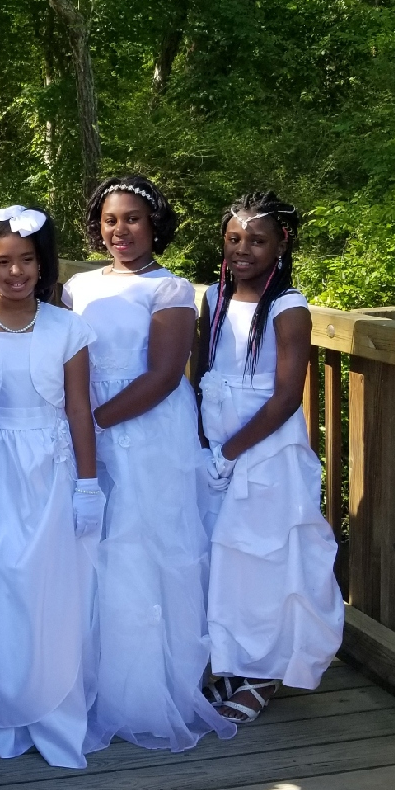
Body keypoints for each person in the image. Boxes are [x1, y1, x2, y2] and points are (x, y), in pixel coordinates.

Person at [64, 175, 235, 753]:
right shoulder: (78, 285)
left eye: (133, 219)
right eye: (111, 220)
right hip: (87, 423)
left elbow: (164, 376)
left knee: (146, 547)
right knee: (96, 550)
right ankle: (95, 680)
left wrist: (92, 423)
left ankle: (153, 686)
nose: (121, 231)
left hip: (146, 427)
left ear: (154, 223)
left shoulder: (171, 289)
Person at [0, 205, 102, 769]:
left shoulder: (68, 328)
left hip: (52, 467)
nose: (15, 272)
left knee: (51, 587)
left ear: (43, 266)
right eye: (3, 262)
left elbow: (80, 411)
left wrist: (88, 485)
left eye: (27, 262)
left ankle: (56, 705)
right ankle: (6, 703)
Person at [198, 192, 345, 723]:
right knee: (226, 559)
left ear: (281, 245)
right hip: (218, 444)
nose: (243, 249)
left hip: (264, 449)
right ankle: (233, 662)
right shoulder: (213, 300)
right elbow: (205, 372)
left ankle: (264, 671)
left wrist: (233, 451)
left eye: (257, 240)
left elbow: (285, 396)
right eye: (234, 239)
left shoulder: (288, 308)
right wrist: (206, 444)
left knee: (264, 558)